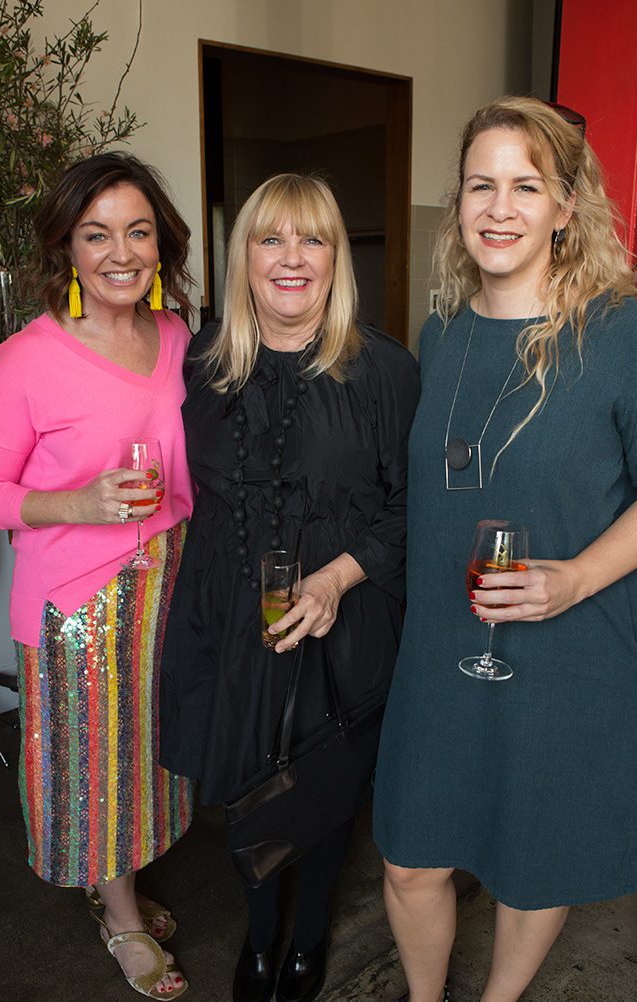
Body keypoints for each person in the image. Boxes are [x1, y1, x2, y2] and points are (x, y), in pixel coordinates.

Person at [373, 95, 637, 1002]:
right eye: (480, 185)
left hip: (566, 647)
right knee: (409, 860)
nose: (499, 208)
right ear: (459, 202)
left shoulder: (624, 333)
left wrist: (578, 576)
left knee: (531, 861)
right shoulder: (446, 332)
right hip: (439, 641)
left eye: (524, 186)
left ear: (564, 206)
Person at [159, 173, 419, 1002]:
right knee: (245, 777)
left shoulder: (383, 369)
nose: (292, 258)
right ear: (245, 257)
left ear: (336, 258)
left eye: (313, 239)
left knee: (326, 777)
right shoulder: (202, 362)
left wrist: (339, 578)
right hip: (233, 612)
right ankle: (261, 934)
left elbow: (417, 508)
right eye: (272, 239)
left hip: (342, 611)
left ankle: (308, 941)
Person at [0, 153, 195, 999]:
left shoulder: (176, 339)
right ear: (68, 248)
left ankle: (123, 883)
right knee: (90, 762)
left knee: (150, 754)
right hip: (75, 602)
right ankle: (120, 914)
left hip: (168, 582)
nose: (120, 252)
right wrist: (78, 503)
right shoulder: (26, 358)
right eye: (97, 234)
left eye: (137, 231)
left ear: (160, 244)